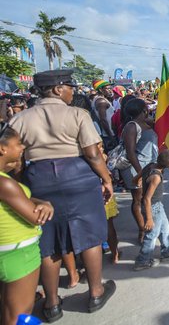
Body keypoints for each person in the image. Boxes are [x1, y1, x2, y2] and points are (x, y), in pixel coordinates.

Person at [10, 69, 116, 321]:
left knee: (49, 243)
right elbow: (92, 153)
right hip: (77, 176)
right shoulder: (78, 114)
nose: (72, 91)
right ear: (58, 89)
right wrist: (107, 179)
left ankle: (52, 304)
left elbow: (14, 160)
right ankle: (96, 292)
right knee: (90, 235)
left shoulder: (19, 120)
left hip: (39, 180)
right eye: (70, 86)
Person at [0, 125, 54, 325]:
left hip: (9, 252)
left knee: (8, 310)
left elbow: (17, 199)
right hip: (19, 254)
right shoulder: (5, 183)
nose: (22, 147)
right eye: (18, 144)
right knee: (19, 315)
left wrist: (40, 201)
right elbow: (36, 218)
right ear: (2, 148)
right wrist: (45, 205)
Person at [134, 149, 169, 271]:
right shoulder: (156, 177)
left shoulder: (150, 165)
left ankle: (168, 251)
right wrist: (149, 219)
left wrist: (137, 180)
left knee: (165, 229)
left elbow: (137, 176)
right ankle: (143, 260)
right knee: (151, 234)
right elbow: (146, 199)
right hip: (152, 208)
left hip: (158, 206)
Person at [120, 98, 158, 244]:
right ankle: (142, 229)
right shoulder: (131, 126)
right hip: (137, 169)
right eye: (146, 108)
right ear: (143, 110)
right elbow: (130, 153)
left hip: (149, 167)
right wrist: (140, 173)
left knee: (147, 198)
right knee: (138, 200)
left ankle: (149, 224)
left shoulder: (146, 123)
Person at [92, 79, 116, 151]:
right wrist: (111, 136)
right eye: (107, 88)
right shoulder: (101, 101)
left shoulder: (101, 99)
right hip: (107, 135)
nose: (110, 90)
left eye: (110, 88)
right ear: (100, 89)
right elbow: (103, 120)